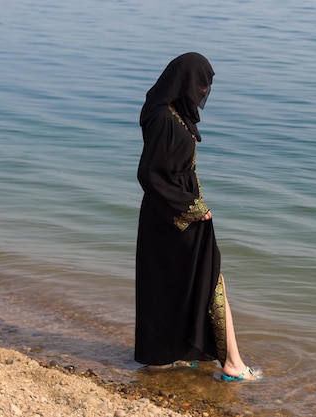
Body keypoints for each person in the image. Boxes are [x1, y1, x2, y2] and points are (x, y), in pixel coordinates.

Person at [135, 52, 264, 382]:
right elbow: (149, 174)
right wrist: (192, 209)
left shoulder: (173, 111)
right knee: (211, 282)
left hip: (171, 214)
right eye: (201, 84)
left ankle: (164, 358)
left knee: (172, 285)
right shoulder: (163, 117)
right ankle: (233, 364)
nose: (204, 91)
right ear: (185, 81)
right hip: (178, 215)